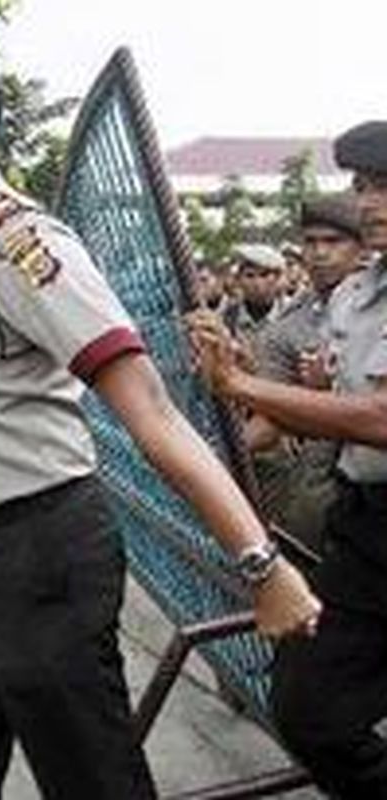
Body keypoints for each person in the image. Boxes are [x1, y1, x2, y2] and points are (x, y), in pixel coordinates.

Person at [0, 52, 320, 799]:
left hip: (40, 554)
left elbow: (151, 409)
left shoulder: (24, 243)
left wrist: (261, 566)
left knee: (89, 778)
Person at [189, 120, 387, 798]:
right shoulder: (361, 297)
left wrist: (244, 386)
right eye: (363, 186)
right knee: (309, 712)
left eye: (386, 187)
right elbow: (338, 400)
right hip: (366, 526)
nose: (371, 203)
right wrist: (259, 376)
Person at [245, 195, 364, 551]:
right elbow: (269, 422)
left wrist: (335, 385)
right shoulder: (288, 329)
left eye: (333, 241)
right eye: (311, 242)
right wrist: (209, 456)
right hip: (328, 484)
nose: (320, 253)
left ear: (362, 248)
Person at [223, 243, 286, 339]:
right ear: (239, 280)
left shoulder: (290, 312)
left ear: (277, 278)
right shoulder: (227, 317)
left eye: (264, 275)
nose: (257, 283)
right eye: (250, 276)